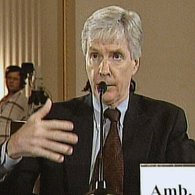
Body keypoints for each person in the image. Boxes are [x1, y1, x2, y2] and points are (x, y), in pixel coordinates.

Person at [1, 5, 195, 195]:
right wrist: (11, 151)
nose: (103, 69)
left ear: (135, 63)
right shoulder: (53, 120)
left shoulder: (166, 122)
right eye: (95, 56)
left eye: (116, 56)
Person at [0, 65, 28, 145]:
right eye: (9, 78)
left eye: (15, 79)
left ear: (21, 81)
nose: (11, 81)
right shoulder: (3, 100)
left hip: (7, 145)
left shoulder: (21, 99)